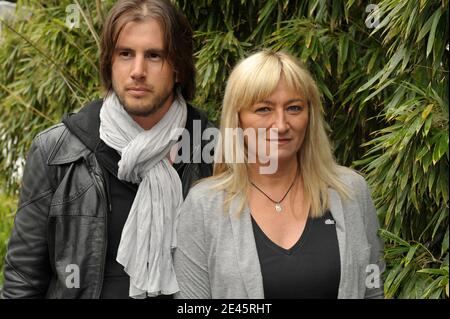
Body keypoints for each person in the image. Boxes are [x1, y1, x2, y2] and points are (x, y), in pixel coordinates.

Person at [2, 0, 213, 299]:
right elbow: (23, 281)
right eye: (125, 54)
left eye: (154, 56)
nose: (138, 71)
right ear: (109, 63)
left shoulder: (213, 150)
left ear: (179, 68)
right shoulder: (57, 152)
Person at [173, 50, 385, 299]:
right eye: (264, 109)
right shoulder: (204, 205)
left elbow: (372, 291)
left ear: (310, 115)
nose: (282, 125)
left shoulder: (350, 191)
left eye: (294, 108)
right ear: (238, 119)